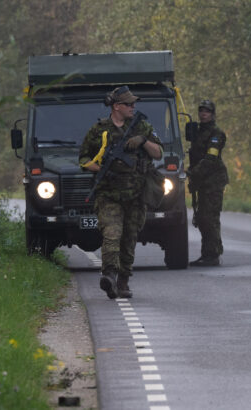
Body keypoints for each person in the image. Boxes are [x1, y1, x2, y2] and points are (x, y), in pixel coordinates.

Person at [79, 86, 163, 299]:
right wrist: (100, 169)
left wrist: (143, 141)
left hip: (136, 195)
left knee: (129, 239)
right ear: (116, 106)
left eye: (134, 104)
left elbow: (159, 153)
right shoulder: (99, 130)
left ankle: (123, 280)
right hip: (109, 194)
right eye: (129, 104)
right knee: (111, 234)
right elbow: (83, 159)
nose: (133, 107)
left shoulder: (142, 126)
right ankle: (109, 275)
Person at [187, 99, 229, 266]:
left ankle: (213, 254)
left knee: (209, 217)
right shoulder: (198, 132)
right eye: (201, 110)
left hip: (213, 181)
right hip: (202, 181)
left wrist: (192, 172)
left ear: (213, 114)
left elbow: (210, 159)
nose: (203, 114)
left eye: (207, 111)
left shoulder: (216, 134)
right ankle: (207, 254)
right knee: (202, 218)